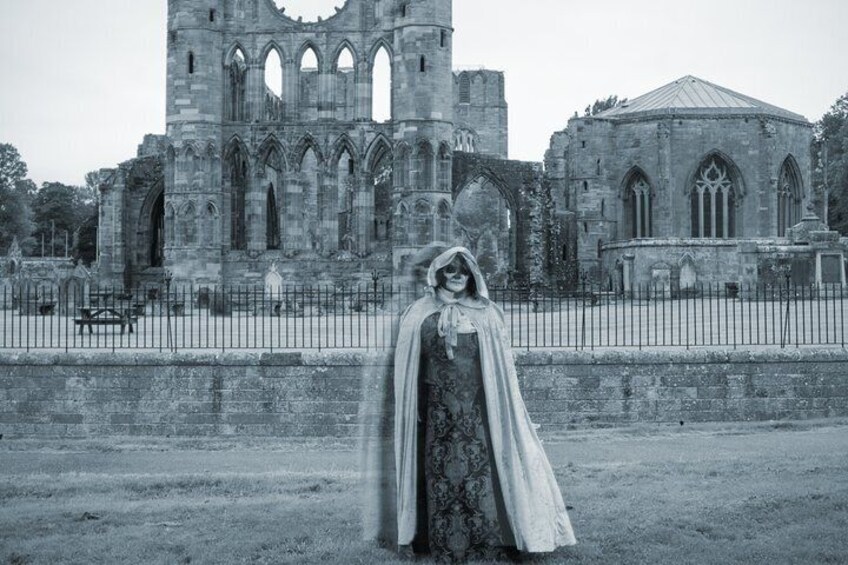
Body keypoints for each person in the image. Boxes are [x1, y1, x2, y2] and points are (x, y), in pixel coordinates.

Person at [393, 247, 576, 561]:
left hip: (478, 409)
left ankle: (492, 541)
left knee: (480, 474)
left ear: (471, 275)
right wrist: (416, 406)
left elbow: (499, 372)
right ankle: (430, 540)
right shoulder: (419, 312)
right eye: (450, 271)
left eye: (462, 271)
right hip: (436, 411)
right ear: (439, 274)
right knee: (439, 475)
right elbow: (410, 367)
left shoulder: (486, 313)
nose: (457, 277)